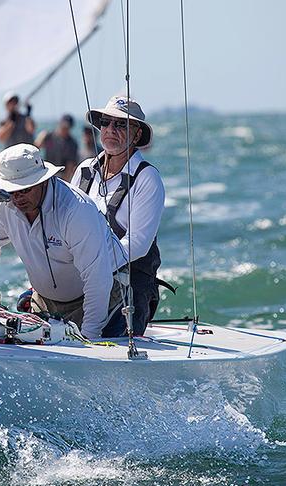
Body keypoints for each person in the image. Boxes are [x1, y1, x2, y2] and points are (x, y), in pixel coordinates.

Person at [0, 144, 124, 339]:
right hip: (45, 300)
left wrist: (89, 337)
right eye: (11, 191)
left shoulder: (76, 210)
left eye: (24, 189)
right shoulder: (2, 205)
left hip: (106, 296)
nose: (18, 198)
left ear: (43, 181)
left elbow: (98, 282)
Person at [71, 95, 165, 336]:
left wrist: (94, 269)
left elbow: (138, 244)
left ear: (136, 135)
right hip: (79, 280)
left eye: (121, 124)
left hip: (129, 287)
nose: (110, 130)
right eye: (105, 122)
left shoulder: (147, 178)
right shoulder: (84, 171)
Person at [34, 114, 79, 182]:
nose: (64, 129)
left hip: (61, 175)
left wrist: (64, 182)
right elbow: (35, 148)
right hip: (47, 171)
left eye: (67, 127)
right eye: (63, 126)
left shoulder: (72, 143)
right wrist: (42, 135)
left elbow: (70, 165)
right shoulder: (49, 136)